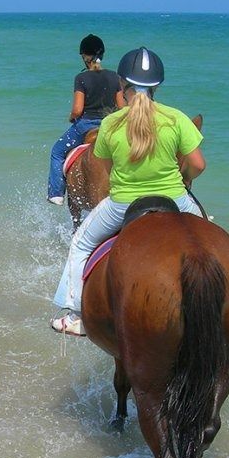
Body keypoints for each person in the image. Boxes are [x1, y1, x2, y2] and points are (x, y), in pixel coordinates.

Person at [51, 46, 206, 336]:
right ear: (157, 85)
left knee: (81, 244)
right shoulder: (177, 118)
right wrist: (183, 178)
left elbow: (108, 168)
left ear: (122, 83)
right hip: (175, 199)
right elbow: (198, 165)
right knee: (207, 236)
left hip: (123, 204)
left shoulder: (111, 123)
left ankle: (75, 315)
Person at [46, 34, 124, 206]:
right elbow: (122, 107)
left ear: (84, 57)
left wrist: (71, 117)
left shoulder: (81, 78)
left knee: (57, 152)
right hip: (110, 126)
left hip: (85, 126)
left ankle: (56, 193)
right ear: (102, 54)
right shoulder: (114, 77)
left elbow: (77, 110)